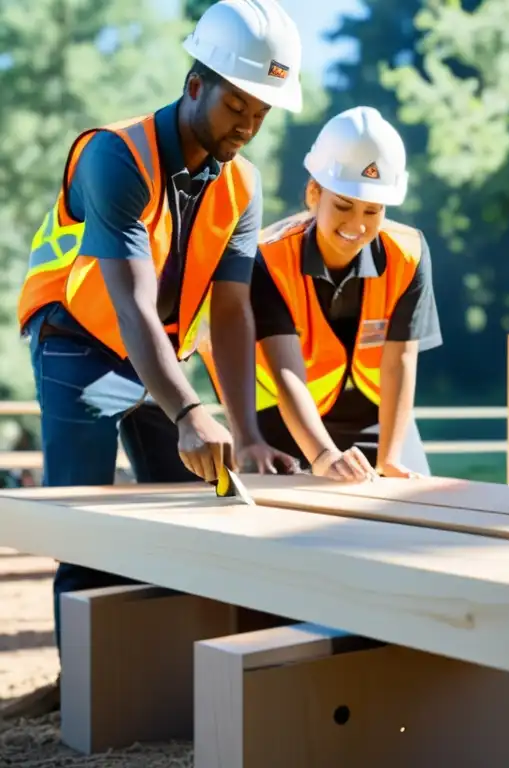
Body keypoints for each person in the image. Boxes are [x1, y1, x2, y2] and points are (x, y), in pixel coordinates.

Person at [2, 0, 304, 720]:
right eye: (238, 102)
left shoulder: (243, 184)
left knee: (190, 511)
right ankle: (80, 691)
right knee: (84, 527)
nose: (248, 123)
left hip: (156, 353)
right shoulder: (118, 155)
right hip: (77, 343)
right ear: (194, 84)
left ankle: (163, 677)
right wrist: (190, 410)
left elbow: (231, 310)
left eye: (262, 111)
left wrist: (249, 431)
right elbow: (131, 301)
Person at [202, 106, 441, 478]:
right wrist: (324, 456)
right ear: (314, 193)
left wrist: (391, 458)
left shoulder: (409, 254)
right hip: (279, 411)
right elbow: (287, 373)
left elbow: (400, 362)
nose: (357, 225)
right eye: (343, 205)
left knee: (403, 505)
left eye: (372, 211)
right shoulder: (267, 258)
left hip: (371, 410)